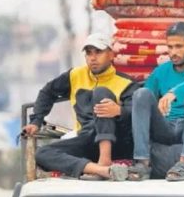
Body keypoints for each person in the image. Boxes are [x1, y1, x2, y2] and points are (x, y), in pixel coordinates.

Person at [24, 33, 137, 180]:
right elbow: (47, 91)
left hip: (117, 143)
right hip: (87, 139)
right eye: (89, 53)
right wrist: (36, 121)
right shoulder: (75, 75)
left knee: (101, 93)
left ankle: (104, 159)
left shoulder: (126, 83)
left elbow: (138, 113)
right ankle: (100, 170)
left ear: (111, 55)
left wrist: (119, 111)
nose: (93, 58)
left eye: (98, 52)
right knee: (42, 154)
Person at [127, 22, 184, 182]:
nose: (173, 52)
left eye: (179, 46)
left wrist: (174, 93)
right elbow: (144, 103)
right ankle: (142, 163)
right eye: (170, 47)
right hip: (166, 127)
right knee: (141, 94)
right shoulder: (161, 71)